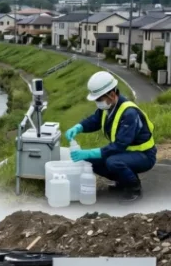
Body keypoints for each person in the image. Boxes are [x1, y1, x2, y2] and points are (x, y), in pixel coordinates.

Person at [65, 71, 157, 203]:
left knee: (113, 162)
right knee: (93, 162)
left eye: (98, 99)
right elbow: (94, 120)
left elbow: (119, 146)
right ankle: (122, 182)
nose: (97, 103)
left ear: (112, 95)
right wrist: (78, 127)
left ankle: (134, 188)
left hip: (144, 155)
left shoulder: (129, 114)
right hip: (127, 153)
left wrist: (89, 152)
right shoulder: (108, 107)